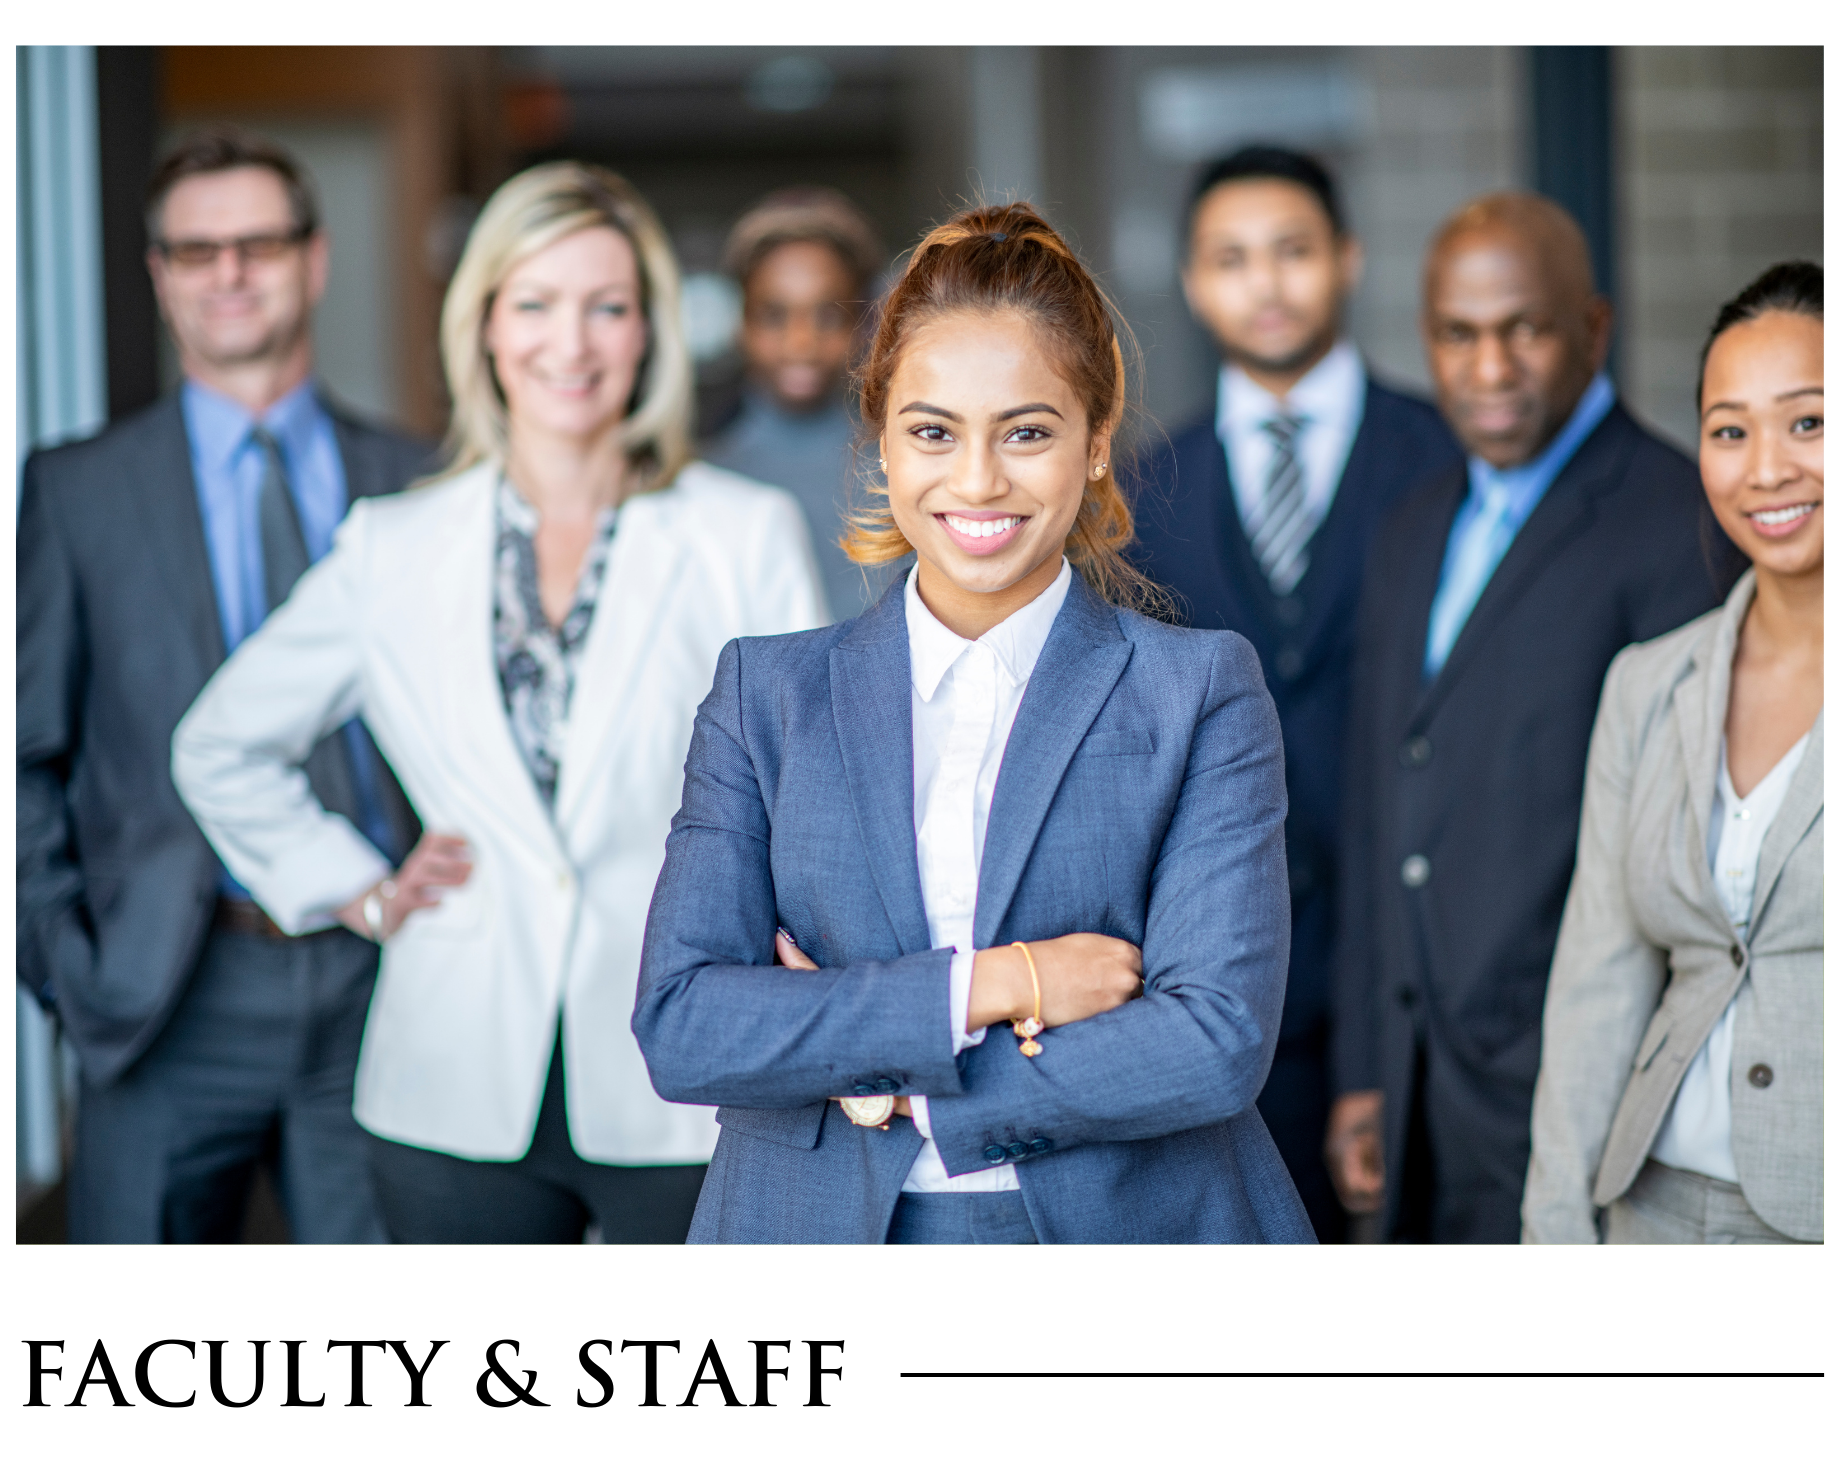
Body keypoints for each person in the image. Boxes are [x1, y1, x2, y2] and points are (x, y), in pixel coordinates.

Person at [633, 202, 1313, 1245]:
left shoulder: (1199, 691)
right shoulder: (763, 698)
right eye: (933, 432)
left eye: (1027, 431)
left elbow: (1211, 1039)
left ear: (1093, 442)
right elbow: (686, 1029)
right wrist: (1001, 984)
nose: (978, 480)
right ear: (883, 444)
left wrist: (904, 1085)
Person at [172, 161, 827, 1244]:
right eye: (534, 304)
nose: (570, 346)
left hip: (691, 1080)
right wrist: (360, 889)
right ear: (482, 325)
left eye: (606, 308)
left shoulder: (740, 532)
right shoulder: (393, 544)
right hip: (448, 1084)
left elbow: (808, 790)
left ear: (649, 332)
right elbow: (219, 745)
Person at [16, 129, 432, 1244]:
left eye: (257, 243)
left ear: (315, 259)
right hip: (166, 984)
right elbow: (25, 755)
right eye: (195, 252)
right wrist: (72, 969)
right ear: (158, 276)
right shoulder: (75, 490)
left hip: (380, 979)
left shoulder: (420, 480)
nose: (230, 273)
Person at [1326, 193, 1739, 1243]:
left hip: (1569, 1087)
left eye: (1526, 328)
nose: (1489, 368)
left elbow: (1676, 851)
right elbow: (1382, 803)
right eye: (1458, 335)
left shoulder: (1680, 524)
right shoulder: (1410, 526)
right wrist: (1368, 1068)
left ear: (1593, 329)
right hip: (1413, 1088)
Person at [1129, 145, 1461, 1240]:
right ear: (1189, 279)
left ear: (1348, 261)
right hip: (1208, 972)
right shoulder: (1136, 493)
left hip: (1416, 971)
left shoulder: (1447, 460)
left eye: (1292, 252)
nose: (1264, 283)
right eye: (1231, 258)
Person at [1523, 263, 1822, 1244]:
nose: (1765, 467)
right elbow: (1595, 986)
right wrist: (1558, 1238)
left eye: (1807, 422)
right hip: (1648, 1212)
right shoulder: (1648, 685)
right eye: (1728, 429)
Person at [701, 187, 886, 618]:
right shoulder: (700, 476)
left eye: (828, 315)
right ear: (740, 323)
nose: (801, 343)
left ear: (865, 324)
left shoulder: (908, 471)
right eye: (774, 315)